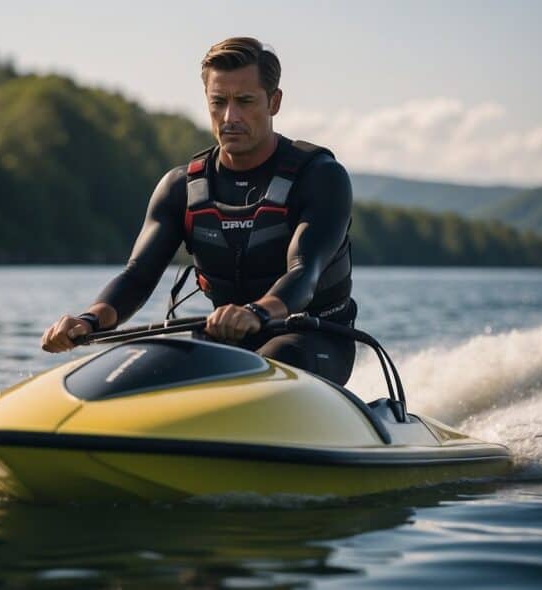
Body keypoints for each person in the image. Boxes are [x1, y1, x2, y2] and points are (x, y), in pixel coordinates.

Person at [41, 37, 357, 385]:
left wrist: (256, 312)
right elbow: (137, 277)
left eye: (245, 101)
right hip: (226, 342)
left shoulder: (321, 178)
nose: (229, 117)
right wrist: (89, 321)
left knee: (269, 364)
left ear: (274, 102)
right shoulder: (181, 188)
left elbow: (304, 272)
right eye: (218, 102)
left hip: (314, 341)